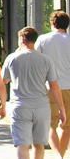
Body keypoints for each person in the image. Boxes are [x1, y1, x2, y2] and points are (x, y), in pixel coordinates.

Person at [2, 27, 66, 159]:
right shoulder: (46, 60)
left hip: (19, 106)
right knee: (39, 144)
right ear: (34, 40)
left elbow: (4, 80)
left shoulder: (12, 58)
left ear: (21, 39)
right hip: (41, 106)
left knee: (22, 145)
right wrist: (61, 109)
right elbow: (54, 86)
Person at [35, 11, 70, 158]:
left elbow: (35, 61)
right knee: (67, 126)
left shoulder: (43, 39)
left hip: (48, 87)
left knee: (51, 126)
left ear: (52, 23)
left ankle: (57, 156)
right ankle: (61, 155)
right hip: (68, 86)